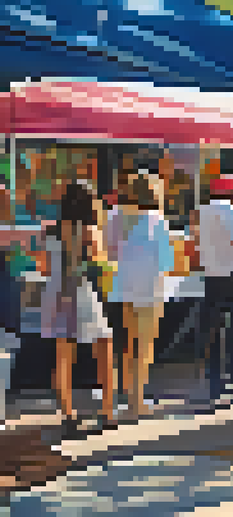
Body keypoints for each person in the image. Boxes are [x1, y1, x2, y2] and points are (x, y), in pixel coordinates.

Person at [39, 182, 116, 436]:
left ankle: (68, 414)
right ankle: (107, 411)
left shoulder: (50, 230)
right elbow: (101, 261)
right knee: (104, 346)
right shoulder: (89, 230)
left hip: (55, 292)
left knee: (62, 356)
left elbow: (45, 267)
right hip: (80, 291)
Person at [105, 175, 174, 423]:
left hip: (123, 286)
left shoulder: (114, 217)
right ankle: (138, 400)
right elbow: (167, 261)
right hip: (150, 288)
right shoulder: (157, 220)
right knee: (144, 346)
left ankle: (126, 396)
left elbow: (109, 252)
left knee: (127, 343)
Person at [195, 174, 233, 407]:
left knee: (212, 332)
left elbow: (195, 240)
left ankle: (214, 384)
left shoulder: (201, 213)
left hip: (211, 275)